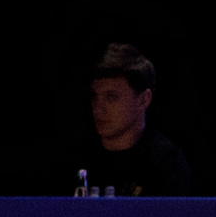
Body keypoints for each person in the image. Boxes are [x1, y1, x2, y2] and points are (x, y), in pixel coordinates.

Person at [66, 44, 191, 196]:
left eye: (111, 97)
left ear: (143, 100)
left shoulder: (166, 164)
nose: (98, 108)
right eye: (95, 96)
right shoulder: (75, 159)